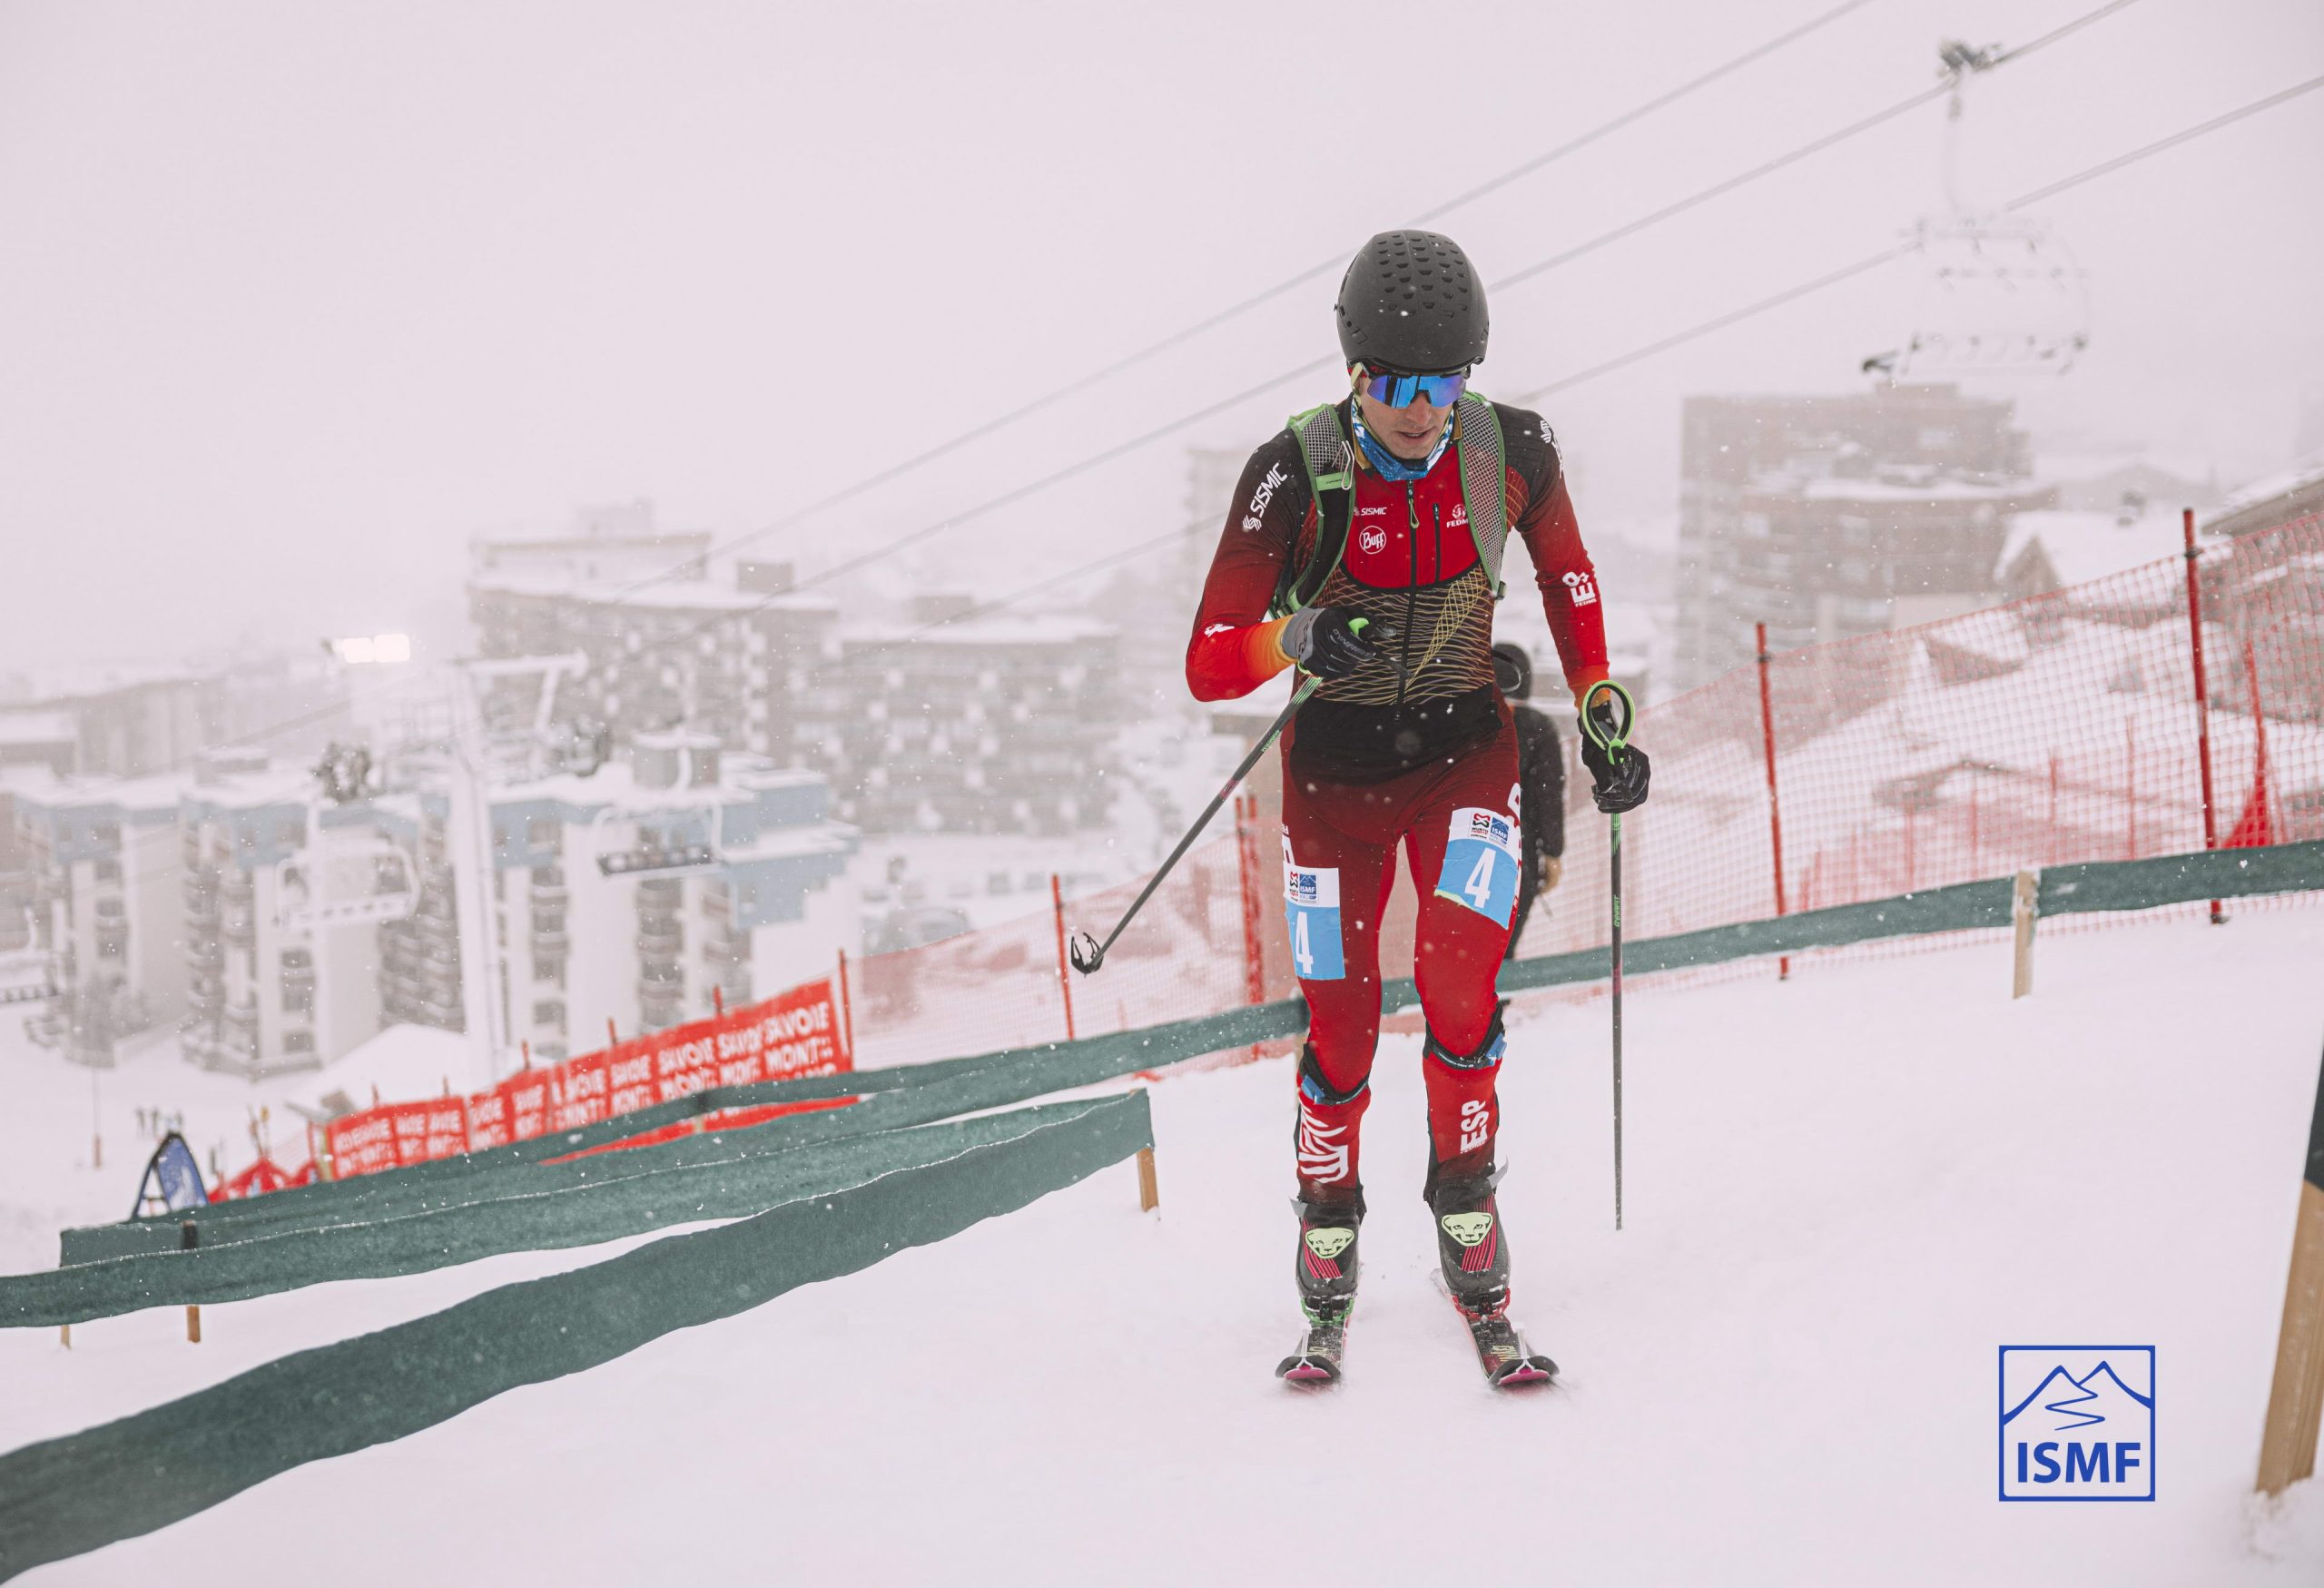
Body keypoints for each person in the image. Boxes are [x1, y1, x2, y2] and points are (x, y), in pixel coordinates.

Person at [1185, 229, 1650, 1353]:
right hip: (1333, 783)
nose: (1417, 408)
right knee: (1341, 1031)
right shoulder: (1292, 472)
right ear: (1354, 376)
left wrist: (1596, 710)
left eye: (1441, 384)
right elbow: (1208, 660)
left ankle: (1467, 1201)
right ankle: (1329, 1219)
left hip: (1463, 761)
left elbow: (1571, 587)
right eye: (1393, 385)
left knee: (1456, 981)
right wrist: (1294, 633)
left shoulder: (1508, 453)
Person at [1492, 641, 1566, 961]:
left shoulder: (1460, 720)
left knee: (1467, 945)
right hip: (1519, 851)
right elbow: (1549, 794)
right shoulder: (1538, 727)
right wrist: (1552, 852)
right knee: (1504, 947)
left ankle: (1463, 1007)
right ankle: (1494, 1005)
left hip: (1460, 847)